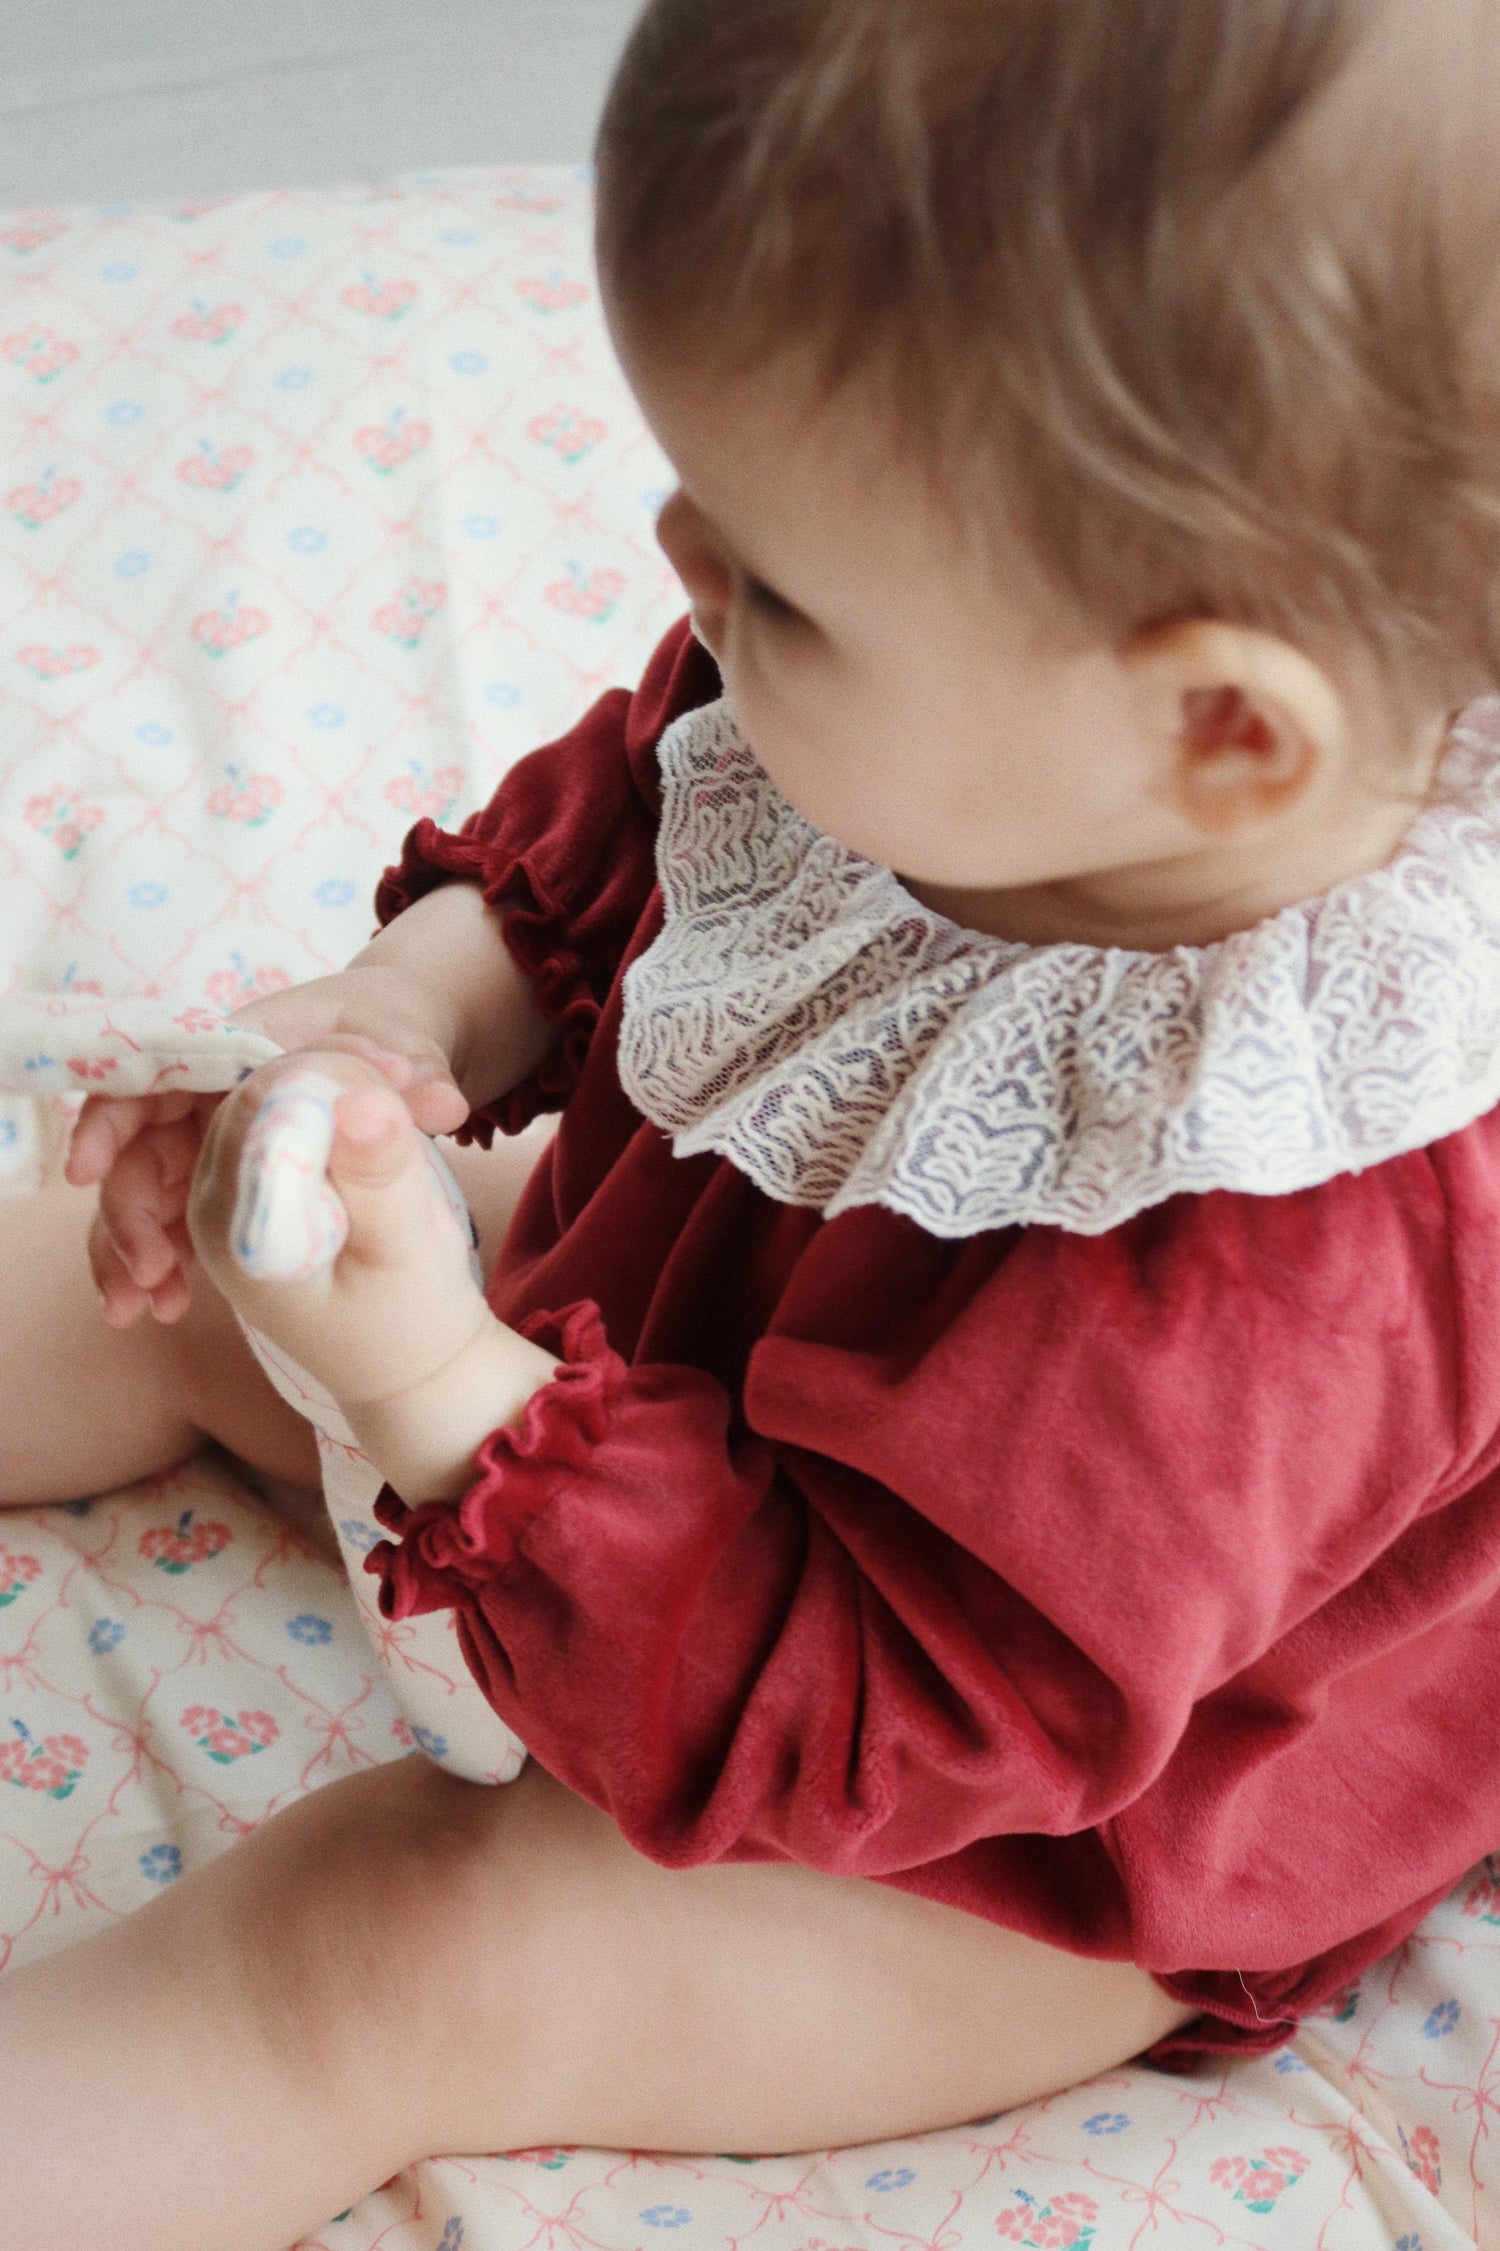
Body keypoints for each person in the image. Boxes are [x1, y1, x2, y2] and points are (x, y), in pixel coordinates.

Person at [4, 0, 1500, 2241]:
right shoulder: (1013, 714)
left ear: (1221, 731)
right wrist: (394, 1018)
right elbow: (649, 805)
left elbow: (891, 1697)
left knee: (392, 1944)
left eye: (779, 591)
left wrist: (444, 1399)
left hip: (986, 1809)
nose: (684, 571)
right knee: (196, 1258)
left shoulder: (1292, 1252)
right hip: (676, 1379)